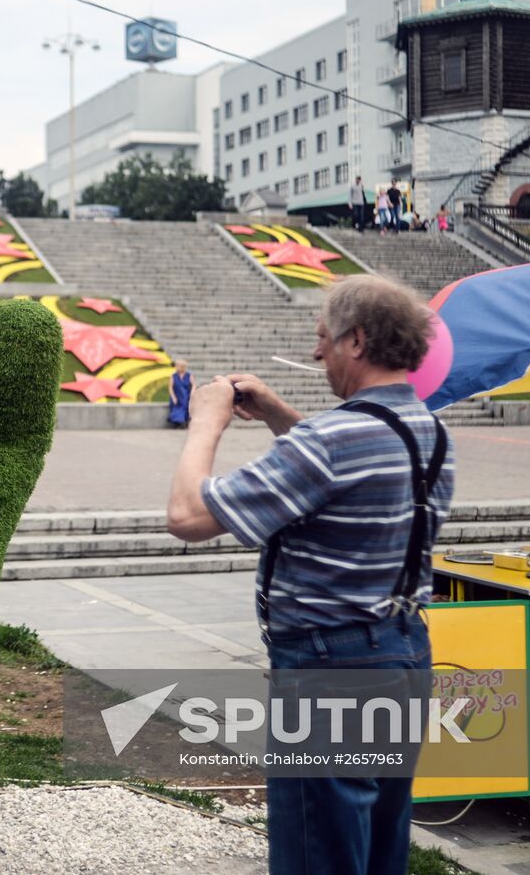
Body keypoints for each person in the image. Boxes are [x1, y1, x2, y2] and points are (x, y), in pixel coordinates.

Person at [166, 275, 455, 875]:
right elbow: (342, 457)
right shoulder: (427, 431)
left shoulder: (330, 440)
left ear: (356, 340)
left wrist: (206, 422)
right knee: (377, 849)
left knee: (317, 852)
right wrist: (275, 411)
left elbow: (188, 515)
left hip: (330, 671)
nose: (316, 352)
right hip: (403, 654)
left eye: (323, 338)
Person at [167, 360, 194, 428]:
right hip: (177, 396)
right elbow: (170, 388)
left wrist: (192, 393)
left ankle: (183, 422)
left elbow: (194, 385)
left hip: (186, 395)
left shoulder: (189, 375)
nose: (176, 367)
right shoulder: (173, 376)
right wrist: (173, 397)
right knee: (177, 408)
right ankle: (177, 422)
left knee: (186, 407)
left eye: (178, 366)